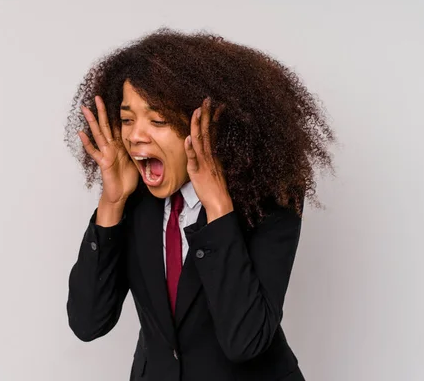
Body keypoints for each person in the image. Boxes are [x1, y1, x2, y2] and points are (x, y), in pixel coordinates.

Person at [64, 28, 335, 381]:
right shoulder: (133, 198)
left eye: (158, 120)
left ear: (206, 124)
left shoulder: (271, 198)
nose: (135, 136)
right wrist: (112, 202)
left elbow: (246, 340)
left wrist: (219, 208)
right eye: (128, 119)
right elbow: (88, 322)